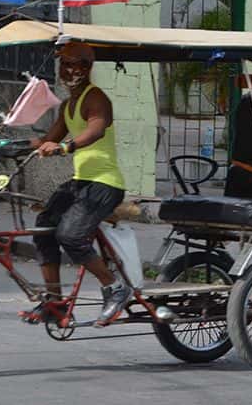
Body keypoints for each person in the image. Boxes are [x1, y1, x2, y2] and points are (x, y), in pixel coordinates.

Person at [18, 41, 170, 327]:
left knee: (71, 235)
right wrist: (11, 143)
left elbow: (95, 130)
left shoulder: (96, 98)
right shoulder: (67, 105)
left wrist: (65, 148)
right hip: (81, 182)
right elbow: (48, 138)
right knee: (43, 229)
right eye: (65, 64)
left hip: (105, 184)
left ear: (88, 68)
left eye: (75, 64)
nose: (69, 70)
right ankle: (55, 303)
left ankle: (114, 288)